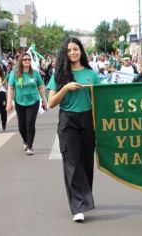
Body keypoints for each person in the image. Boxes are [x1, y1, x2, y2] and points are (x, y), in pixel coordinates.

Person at [47, 37, 101, 223]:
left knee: (86, 162)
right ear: (65, 53)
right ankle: (78, 207)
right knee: (72, 162)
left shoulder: (91, 74)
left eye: (75, 49)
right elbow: (51, 103)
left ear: (81, 51)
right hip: (68, 122)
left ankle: (85, 196)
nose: (72, 53)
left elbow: (101, 99)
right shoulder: (60, 75)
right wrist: (66, 89)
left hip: (87, 120)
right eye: (69, 50)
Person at [6, 53, 47, 155]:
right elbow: (11, 88)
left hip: (33, 102)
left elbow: (41, 87)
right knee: (21, 126)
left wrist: (44, 100)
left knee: (30, 123)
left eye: (29, 59)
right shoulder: (15, 73)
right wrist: (9, 102)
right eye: (25, 59)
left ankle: (30, 146)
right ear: (21, 61)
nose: (27, 61)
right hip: (19, 102)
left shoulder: (35, 73)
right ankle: (25, 140)